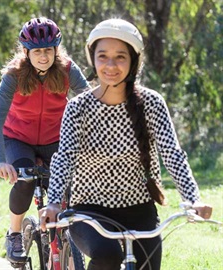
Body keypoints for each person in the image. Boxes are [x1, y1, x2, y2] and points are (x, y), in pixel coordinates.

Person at [39, 18, 213, 270]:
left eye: (120, 57)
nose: (111, 65)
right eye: (103, 56)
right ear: (93, 59)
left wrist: (193, 200)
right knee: (107, 257)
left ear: (133, 61)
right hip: (88, 212)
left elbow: (172, 154)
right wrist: (54, 202)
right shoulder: (78, 108)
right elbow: (65, 157)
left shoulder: (151, 103)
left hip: (139, 209)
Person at [0, 17, 90, 266]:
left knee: (68, 185)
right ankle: (14, 235)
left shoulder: (66, 69)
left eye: (48, 50)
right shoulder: (14, 74)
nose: (43, 56)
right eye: (37, 51)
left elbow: (89, 100)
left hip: (56, 138)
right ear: (26, 52)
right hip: (18, 138)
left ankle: (69, 239)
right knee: (24, 179)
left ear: (56, 50)